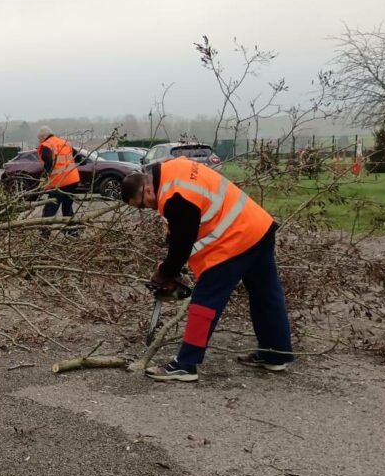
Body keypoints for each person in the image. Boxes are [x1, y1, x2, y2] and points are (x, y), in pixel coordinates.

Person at [120, 157, 293, 382]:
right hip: (257, 227)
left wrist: (166, 272)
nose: (147, 208)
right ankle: (276, 354)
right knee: (266, 294)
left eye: (142, 204)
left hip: (234, 239)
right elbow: (181, 227)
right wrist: (169, 264)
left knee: (206, 299)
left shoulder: (175, 196)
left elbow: (183, 242)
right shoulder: (173, 170)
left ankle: (186, 364)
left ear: (147, 190)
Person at [37, 126, 81, 223]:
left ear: (43, 137)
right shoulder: (64, 142)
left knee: (50, 209)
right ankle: (72, 229)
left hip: (59, 181)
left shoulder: (47, 144)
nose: (39, 141)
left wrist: (44, 176)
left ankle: (44, 231)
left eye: (39, 139)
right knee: (67, 207)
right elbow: (79, 158)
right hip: (73, 180)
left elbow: (48, 161)